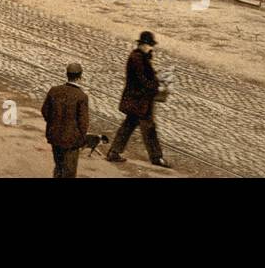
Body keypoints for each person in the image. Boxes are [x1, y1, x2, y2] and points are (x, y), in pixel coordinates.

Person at [106, 32, 169, 168]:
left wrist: (156, 76)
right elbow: (142, 80)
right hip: (139, 101)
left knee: (128, 126)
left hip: (138, 101)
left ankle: (114, 152)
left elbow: (145, 76)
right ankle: (156, 158)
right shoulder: (137, 58)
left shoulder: (140, 56)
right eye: (150, 45)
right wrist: (156, 88)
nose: (151, 48)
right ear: (143, 44)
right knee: (149, 129)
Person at [41, 62, 91, 179]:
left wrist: (54, 124)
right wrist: (81, 138)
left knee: (58, 166)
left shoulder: (54, 90)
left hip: (55, 136)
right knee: (69, 171)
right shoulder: (81, 96)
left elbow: (45, 111)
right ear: (80, 77)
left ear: (67, 75)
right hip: (71, 141)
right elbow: (83, 123)